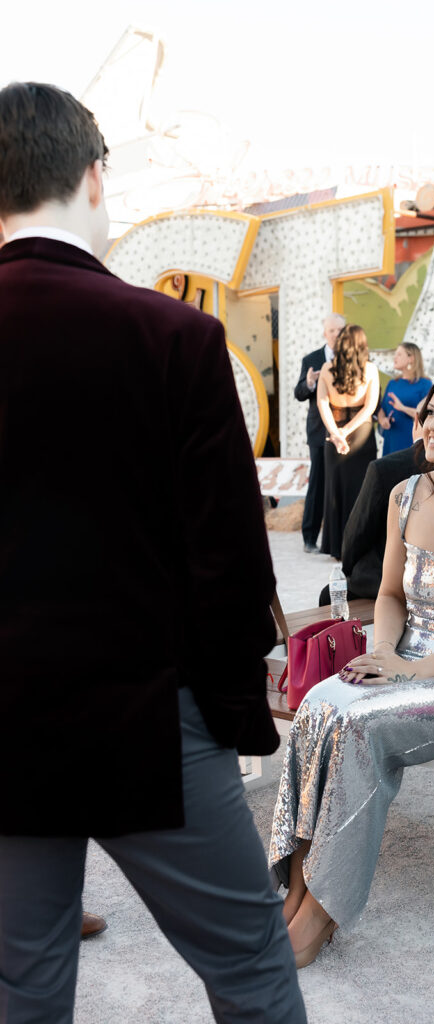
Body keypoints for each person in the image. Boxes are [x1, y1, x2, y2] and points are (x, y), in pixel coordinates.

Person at [0, 82, 306, 1024]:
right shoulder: (175, 335)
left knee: (21, 986)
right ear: (95, 177)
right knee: (251, 966)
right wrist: (236, 714)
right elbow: (229, 561)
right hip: (151, 714)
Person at [270, 371, 434, 968]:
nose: (432, 426)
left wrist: (413, 673)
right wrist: (387, 653)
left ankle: (319, 915)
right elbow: (389, 594)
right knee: (318, 704)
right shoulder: (405, 495)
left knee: (359, 727)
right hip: (403, 657)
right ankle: (293, 891)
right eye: (430, 413)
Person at [317, 405, 426, 605]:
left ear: (416, 422)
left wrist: (349, 569)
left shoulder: (384, 468)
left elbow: (356, 533)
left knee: (329, 595)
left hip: (386, 580)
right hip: (432, 581)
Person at [318, 324, 380, 559]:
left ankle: (336, 547)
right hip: (361, 433)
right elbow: (370, 407)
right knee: (360, 489)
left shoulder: (327, 368)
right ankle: (357, 545)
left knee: (334, 489)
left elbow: (323, 403)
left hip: (334, 434)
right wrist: (346, 431)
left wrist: (336, 433)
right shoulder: (370, 369)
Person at [294, 313, 346, 553]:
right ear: (325, 333)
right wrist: (309, 383)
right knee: (317, 484)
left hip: (346, 430)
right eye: (332, 330)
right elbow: (299, 393)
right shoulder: (311, 359)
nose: (336, 334)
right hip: (319, 431)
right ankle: (309, 537)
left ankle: (341, 538)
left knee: (343, 482)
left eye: (340, 330)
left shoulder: (352, 357)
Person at [377, 342, 432, 456]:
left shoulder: (425, 384)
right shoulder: (393, 383)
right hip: (391, 440)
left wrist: (402, 408)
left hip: (410, 441)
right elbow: (382, 409)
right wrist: (383, 420)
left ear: (411, 358)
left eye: (399, 354)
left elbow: (427, 414)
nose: (395, 358)